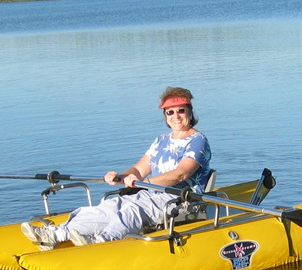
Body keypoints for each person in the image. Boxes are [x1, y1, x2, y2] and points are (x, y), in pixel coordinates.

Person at [21, 87, 212, 250]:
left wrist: (144, 183)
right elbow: (138, 170)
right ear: (165, 116)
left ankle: (103, 240)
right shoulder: (161, 140)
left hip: (178, 198)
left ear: (190, 112)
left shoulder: (198, 140)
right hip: (151, 193)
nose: (176, 116)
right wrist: (120, 177)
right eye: (170, 112)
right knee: (110, 206)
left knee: (132, 208)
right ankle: (57, 234)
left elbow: (181, 174)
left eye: (181, 110)